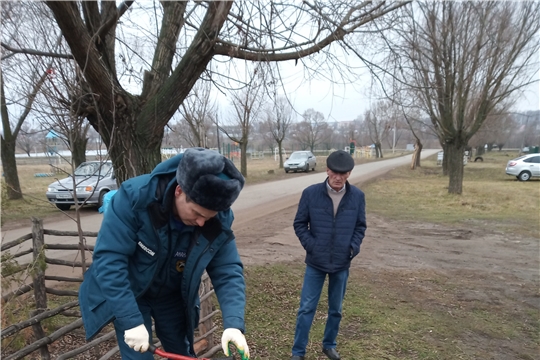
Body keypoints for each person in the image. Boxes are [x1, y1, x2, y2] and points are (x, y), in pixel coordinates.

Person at [79, 147, 250, 360]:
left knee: (180, 352)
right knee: (138, 356)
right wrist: (130, 320)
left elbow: (228, 270)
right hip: (131, 292)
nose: (201, 222)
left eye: (208, 217)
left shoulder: (216, 220)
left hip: (172, 295)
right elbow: (109, 261)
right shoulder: (134, 198)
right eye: (197, 213)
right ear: (179, 191)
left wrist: (234, 324)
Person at [290, 150, 367, 360]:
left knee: (336, 309)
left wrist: (352, 248)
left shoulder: (357, 197)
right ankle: (298, 352)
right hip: (316, 262)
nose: (338, 177)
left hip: (342, 263)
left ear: (349, 174)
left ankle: (329, 345)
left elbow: (360, 226)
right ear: (327, 170)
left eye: (343, 173)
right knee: (306, 309)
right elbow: (299, 223)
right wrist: (311, 246)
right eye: (334, 172)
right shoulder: (310, 193)